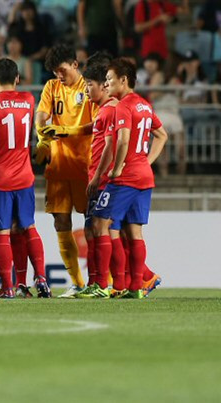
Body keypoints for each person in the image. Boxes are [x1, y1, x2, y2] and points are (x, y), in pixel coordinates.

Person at [0, 58, 51, 299]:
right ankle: (41, 278)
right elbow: (4, 107)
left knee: (1, 233)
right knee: (29, 227)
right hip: (24, 177)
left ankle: (7, 288)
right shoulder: (28, 100)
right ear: (17, 78)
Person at [92, 57, 168, 298]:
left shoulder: (123, 106)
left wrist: (115, 170)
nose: (106, 84)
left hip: (126, 178)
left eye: (110, 80)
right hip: (145, 177)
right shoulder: (145, 105)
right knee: (134, 232)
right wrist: (146, 161)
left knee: (101, 223)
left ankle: (104, 285)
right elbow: (162, 135)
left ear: (123, 80)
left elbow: (122, 140)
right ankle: (135, 288)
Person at [35, 44, 98, 298]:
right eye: (54, 72)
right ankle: (78, 283)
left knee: (93, 226)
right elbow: (41, 114)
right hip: (58, 167)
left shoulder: (88, 87)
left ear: (75, 64)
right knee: (61, 222)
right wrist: (42, 136)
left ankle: (99, 281)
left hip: (85, 166)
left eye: (62, 70)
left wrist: (66, 131)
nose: (58, 76)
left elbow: (96, 124)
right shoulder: (52, 87)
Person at [74, 59, 117, 298]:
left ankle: (104, 283)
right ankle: (96, 282)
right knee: (91, 231)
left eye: (90, 85)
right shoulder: (103, 110)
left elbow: (110, 147)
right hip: (96, 179)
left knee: (101, 229)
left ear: (103, 86)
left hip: (103, 182)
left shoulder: (110, 110)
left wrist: (98, 176)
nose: (87, 89)